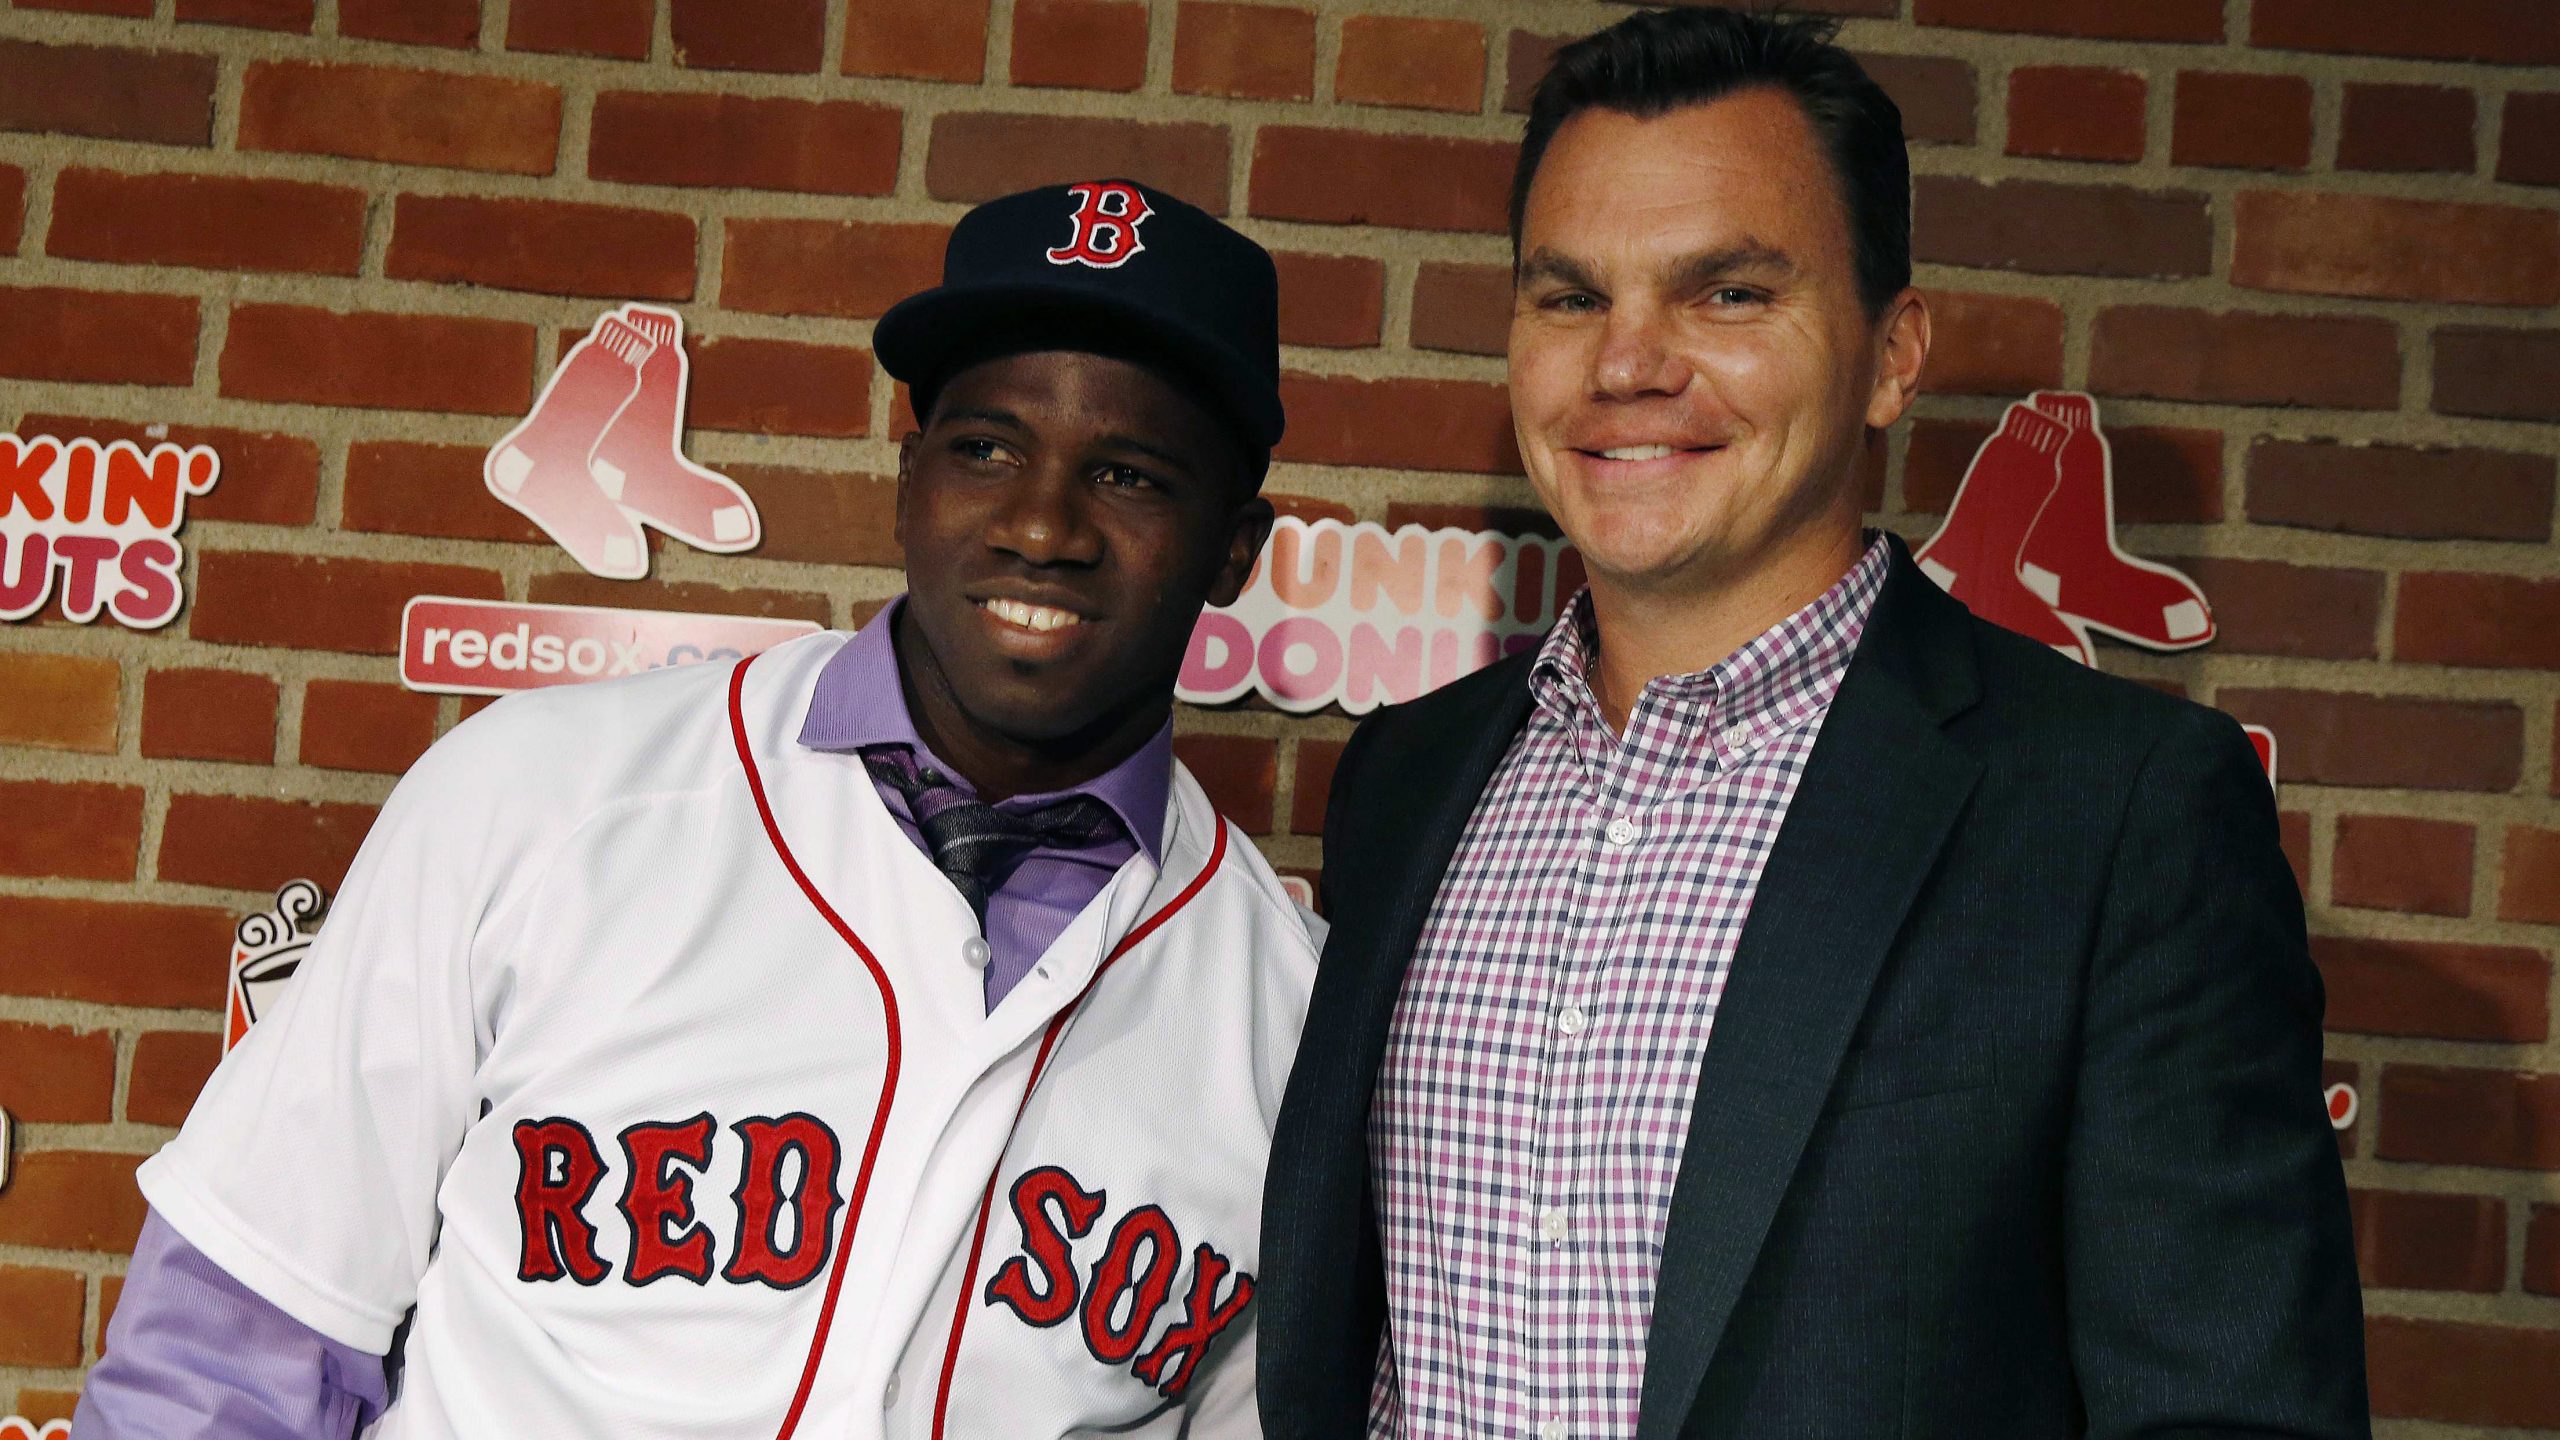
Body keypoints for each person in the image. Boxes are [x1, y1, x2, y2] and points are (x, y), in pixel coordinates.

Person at [1257, 11, 2368, 1440]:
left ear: (1891, 354)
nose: (1627, 364)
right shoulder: (1409, 777)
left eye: (1727, 294)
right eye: (1571, 296)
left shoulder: (2116, 815)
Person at [76, 179, 1313, 1440]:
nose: (1041, 527)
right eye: (985, 450)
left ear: (1233, 549)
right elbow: (233, 1349)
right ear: (908, 479)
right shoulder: (538, 795)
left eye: (1130, 477)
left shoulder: (1294, 1016)